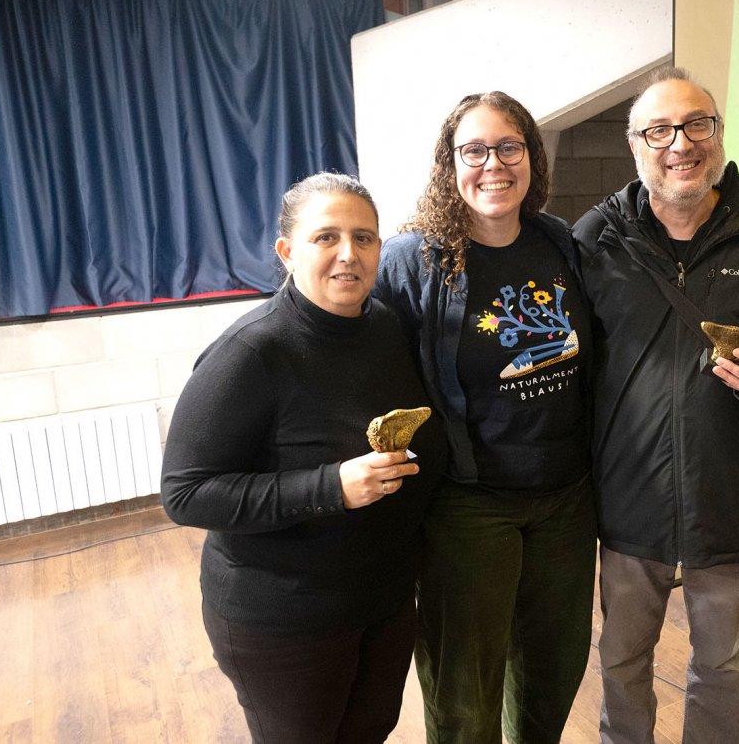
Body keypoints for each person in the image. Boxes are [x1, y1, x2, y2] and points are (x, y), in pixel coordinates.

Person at [572, 67, 739, 743]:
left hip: (731, 490)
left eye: (697, 124)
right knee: (622, 658)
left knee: (720, 662)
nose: (680, 144)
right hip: (628, 494)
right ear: (635, 145)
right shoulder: (597, 239)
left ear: (717, 134)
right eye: (659, 130)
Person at [161, 172, 447, 743]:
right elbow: (186, 494)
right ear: (288, 252)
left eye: (364, 238)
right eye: (326, 237)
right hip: (285, 620)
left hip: (384, 600)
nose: (348, 254)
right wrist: (331, 486)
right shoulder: (250, 352)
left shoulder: (387, 327)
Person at [374, 91, 596, 744]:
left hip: (566, 500)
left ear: (531, 158)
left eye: (508, 147)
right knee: (465, 692)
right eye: (474, 150)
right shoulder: (412, 259)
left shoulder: (559, 242)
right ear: (450, 163)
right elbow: (360, 361)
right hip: (468, 504)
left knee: (553, 670)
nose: (492, 164)